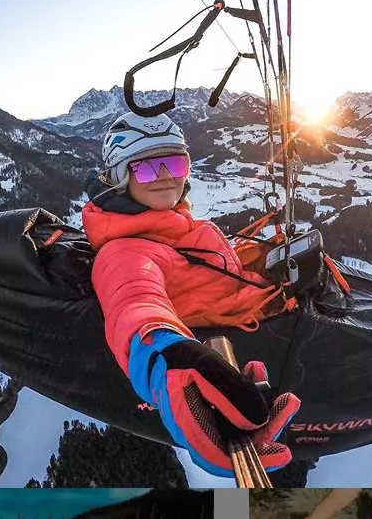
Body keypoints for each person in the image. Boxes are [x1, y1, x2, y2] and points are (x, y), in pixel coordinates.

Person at [82, 111, 300, 478]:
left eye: (175, 163)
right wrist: (170, 356)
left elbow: (203, 271)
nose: (166, 176)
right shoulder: (123, 252)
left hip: (261, 308)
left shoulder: (171, 225)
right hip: (253, 342)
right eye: (147, 168)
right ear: (119, 177)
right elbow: (136, 303)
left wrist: (263, 264)